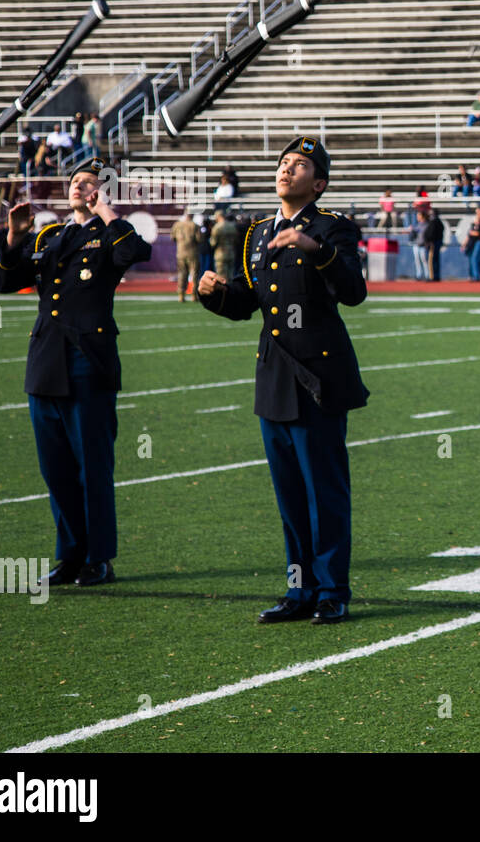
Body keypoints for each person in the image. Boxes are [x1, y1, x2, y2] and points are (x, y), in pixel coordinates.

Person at [197, 138, 369, 625]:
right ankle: (299, 591)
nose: (286, 170)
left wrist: (314, 249)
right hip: (274, 380)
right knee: (290, 498)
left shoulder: (333, 229)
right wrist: (213, 293)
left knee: (324, 494)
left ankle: (333, 591)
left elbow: (353, 292)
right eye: (283, 163)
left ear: (318, 184)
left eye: (299, 166)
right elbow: (247, 304)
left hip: (318, 378)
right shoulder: (256, 233)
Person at [0, 154, 152, 587]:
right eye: (77, 181)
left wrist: (106, 211)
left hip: (88, 362)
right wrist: (14, 237)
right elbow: (5, 283)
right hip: (45, 360)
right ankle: (69, 555)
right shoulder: (50, 235)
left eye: (91, 183)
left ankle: (98, 558)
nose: (81, 187)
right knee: (56, 468)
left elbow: (133, 252)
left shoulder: (110, 233)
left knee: (92, 467)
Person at [170, 209, 201, 302]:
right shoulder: (195, 226)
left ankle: (181, 295)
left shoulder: (177, 225)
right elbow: (199, 239)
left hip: (180, 253)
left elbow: (172, 238)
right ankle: (194, 295)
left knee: (181, 274)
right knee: (194, 274)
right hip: (193, 253)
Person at [423, 207, 444, 282]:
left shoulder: (434, 222)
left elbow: (432, 233)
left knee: (432, 260)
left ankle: (433, 276)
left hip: (433, 243)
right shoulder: (438, 222)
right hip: (436, 242)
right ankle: (436, 276)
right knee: (435, 260)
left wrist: (429, 241)